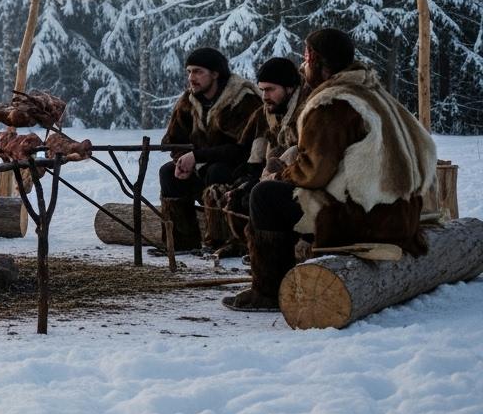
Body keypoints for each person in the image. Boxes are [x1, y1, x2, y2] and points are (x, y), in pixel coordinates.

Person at [224, 28, 436, 311]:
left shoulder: (331, 103)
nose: (302, 65)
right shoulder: (375, 95)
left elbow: (315, 172)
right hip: (404, 213)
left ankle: (268, 292)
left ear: (313, 59)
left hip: (365, 219)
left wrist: (280, 174)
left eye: (305, 57)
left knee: (265, 196)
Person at [158, 47, 262, 252]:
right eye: (189, 72)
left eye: (198, 71)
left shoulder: (242, 98)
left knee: (217, 170)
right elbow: (174, 140)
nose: (191, 77)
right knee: (168, 172)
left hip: (240, 174)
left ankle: (227, 240)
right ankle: (181, 243)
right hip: (202, 168)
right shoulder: (189, 100)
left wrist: (196, 157)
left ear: (215, 74)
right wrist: (183, 161)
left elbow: (243, 148)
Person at [201, 57, 308, 257]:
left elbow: (307, 159)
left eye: (270, 89)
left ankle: (272, 255)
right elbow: (249, 154)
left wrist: (271, 175)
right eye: (262, 89)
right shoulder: (264, 114)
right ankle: (246, 245)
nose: (264, 96)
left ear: (290, 88)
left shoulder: (307, 113)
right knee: (232, 191)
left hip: (300, 181)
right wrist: (246, 180)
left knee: (260, 194)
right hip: (271, 175)